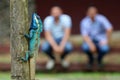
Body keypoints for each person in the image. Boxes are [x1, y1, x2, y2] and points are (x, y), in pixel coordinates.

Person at [41, 6, 72, 70]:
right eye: (54, 12)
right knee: (44, 47)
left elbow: (67, 34)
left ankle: (62, 59)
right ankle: (52, 59)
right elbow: (48, 35)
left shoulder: (66, 18)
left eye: (57, 12)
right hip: (52, 39)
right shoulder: (47, 20)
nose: (56, 14)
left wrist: (62, 46)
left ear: (61, 12)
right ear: (51, 13)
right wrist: (55, 46)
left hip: (62, 39)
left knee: (69, 47)